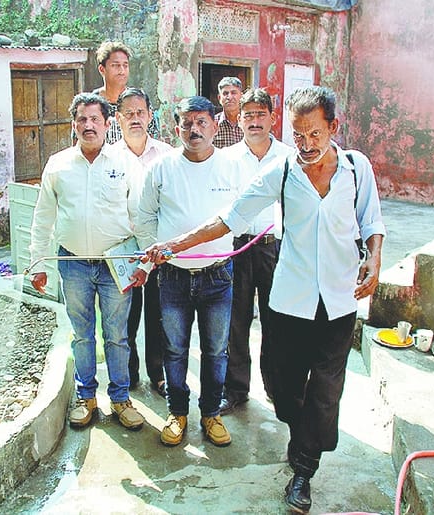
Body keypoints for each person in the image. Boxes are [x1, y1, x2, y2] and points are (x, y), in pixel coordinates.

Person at [142, 86, 385, 513]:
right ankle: (306, 431)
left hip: (340, 299)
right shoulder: (283, 170)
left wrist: (375, 259)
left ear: (333, 127)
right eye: (299, 134)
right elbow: (230, 217)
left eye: (315, 133)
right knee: (282, 386)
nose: (306, 144)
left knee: (326, 389)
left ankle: (303, 469)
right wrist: (175, 244)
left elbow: (371, 221)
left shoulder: (354, 167)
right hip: (290, 299)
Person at [29, 92, 147, 431]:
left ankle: (121, 399)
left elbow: (141, 215)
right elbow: (43, 216)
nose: (88, 125)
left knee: (117, 336)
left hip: (116, 264)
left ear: (108, 124)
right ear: (73, 125)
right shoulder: (59, 164)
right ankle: (86, 397)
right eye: (82, 119)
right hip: (74, 263)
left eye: (95, 119)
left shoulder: (124, 163)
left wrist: (145, 261)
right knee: (82, 335)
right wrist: (37, 263)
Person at [134, 96, 244, 447]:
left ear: (215, 125)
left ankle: (210, 413)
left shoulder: (232, 167)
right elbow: (143, 216)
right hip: (173, 277)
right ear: (176, 127)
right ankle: (177, 412)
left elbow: (241, 219)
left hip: (218, 275)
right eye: (187, 123)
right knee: (175, 348)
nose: (194, 129)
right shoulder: (162, 168)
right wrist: (154, 252)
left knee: (216, 350)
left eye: (201, 122)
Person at [218, 88, 293, 415]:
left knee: (276, 319)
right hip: (237, 248)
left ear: (273, 118)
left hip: (275, 248)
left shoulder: (288, 157)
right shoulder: (228, 158)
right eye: (248, 115)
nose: (254, 121)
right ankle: (236, 389)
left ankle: (276, 388)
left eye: (261, 114)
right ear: (240, 120)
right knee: (236, 320)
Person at [112, 87, 173, 396]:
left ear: (150, 115)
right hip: (124, 251)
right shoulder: (109, 157)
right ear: (118, 118)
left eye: (140, 112)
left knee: (158, 315)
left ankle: (158, 373)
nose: (135, 119)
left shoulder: (167, 155)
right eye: (129, 114)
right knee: (126, 316)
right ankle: (129, 372)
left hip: (159, 249)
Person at [92, 41, 159, 144]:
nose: (122, 71)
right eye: (115, 65)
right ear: (102, 69)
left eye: (125, 65)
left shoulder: (139, 101)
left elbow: (153, 141)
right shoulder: (91, 104)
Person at [212, 76, 244, 148]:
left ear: (241, 97)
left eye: (233, 93)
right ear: (219, 98)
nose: (229, 97)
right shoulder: (212, 123)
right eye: (225, 93)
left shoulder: (248, 122)